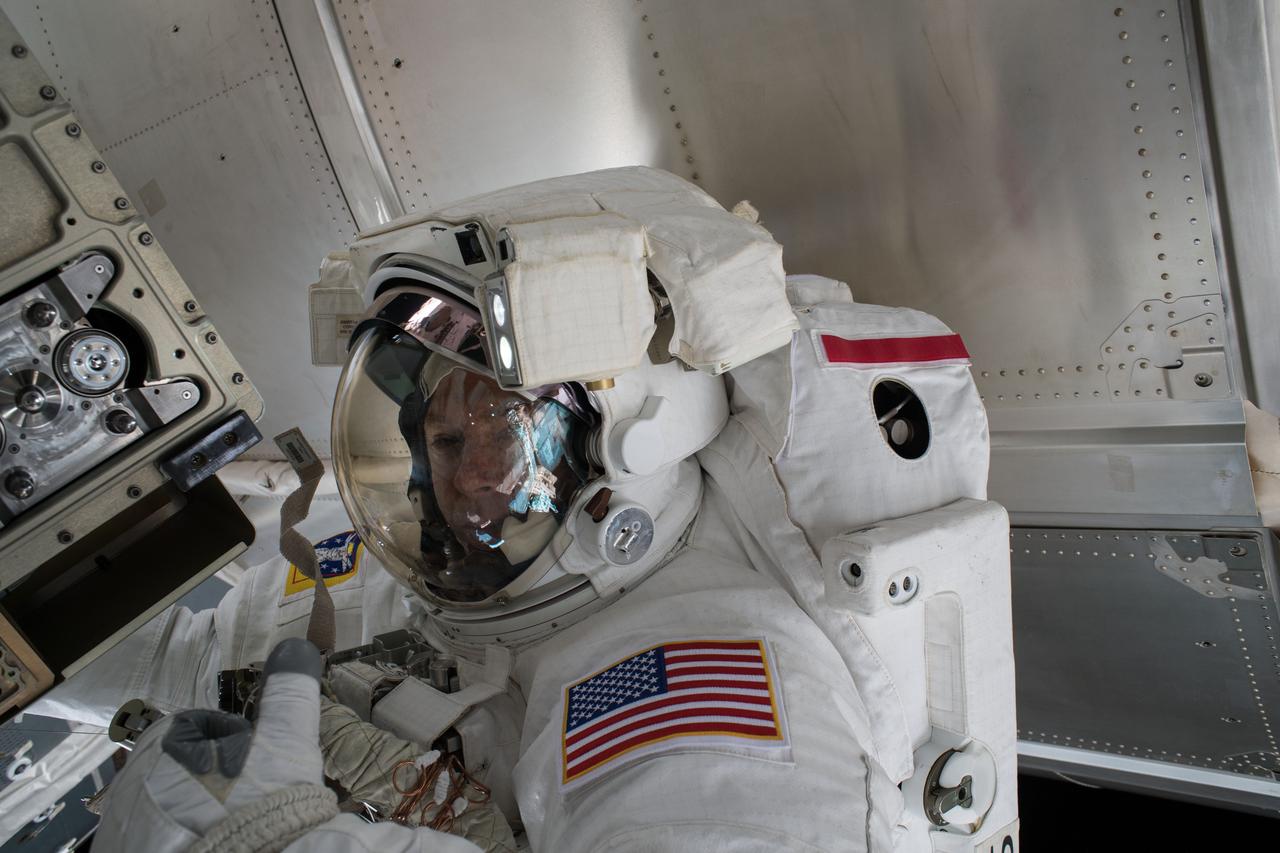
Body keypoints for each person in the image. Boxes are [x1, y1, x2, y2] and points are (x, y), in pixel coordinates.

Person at [57, 167, 1015, 850]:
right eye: (440, 441)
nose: (459, 481)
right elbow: (166, 660)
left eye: (497, 435)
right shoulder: (431, 581)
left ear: (628, 448)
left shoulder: (710, 684)